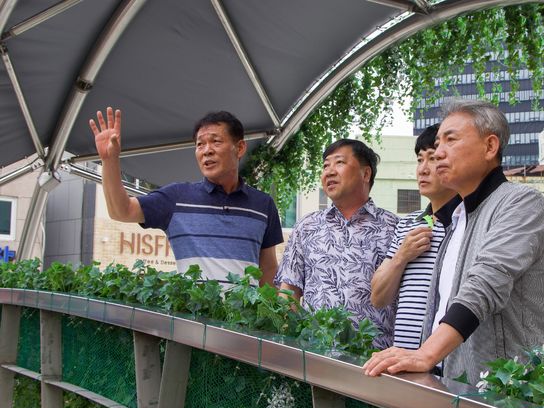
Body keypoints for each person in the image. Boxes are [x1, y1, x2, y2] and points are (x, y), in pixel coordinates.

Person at [363, 100, 544, 384]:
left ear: (490, 147)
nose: (438, 153)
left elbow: (486, 284)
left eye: (450, 140)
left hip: (508, 395)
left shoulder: (521, 202)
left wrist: (425, 354)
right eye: (437, 143)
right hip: (453, 386)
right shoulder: (455, 219)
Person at [89, 108, 283, 286]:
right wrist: (109, 160)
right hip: (193, 321)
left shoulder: (263, 205)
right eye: (200, 144)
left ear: (239, 148)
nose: (206, 150)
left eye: (216, 141)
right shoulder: (176, 197)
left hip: (243, 323)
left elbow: (268, 269)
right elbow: (121, 211)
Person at [275, 139, 398, 348]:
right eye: (325, 166)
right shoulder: (307, 227)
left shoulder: (394, 228)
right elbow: (289, 293)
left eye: (339, 163)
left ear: (366, 174)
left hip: (376, 361)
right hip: (316, 356)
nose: (329, 172)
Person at [370, 124, 460, 349]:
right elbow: (378, 298)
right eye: (420, 160)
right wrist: (402, 256)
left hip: (450, 363)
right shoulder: (408, 224)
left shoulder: (469, 222)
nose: (423, 169)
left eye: (432, 158)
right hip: (405, 359)